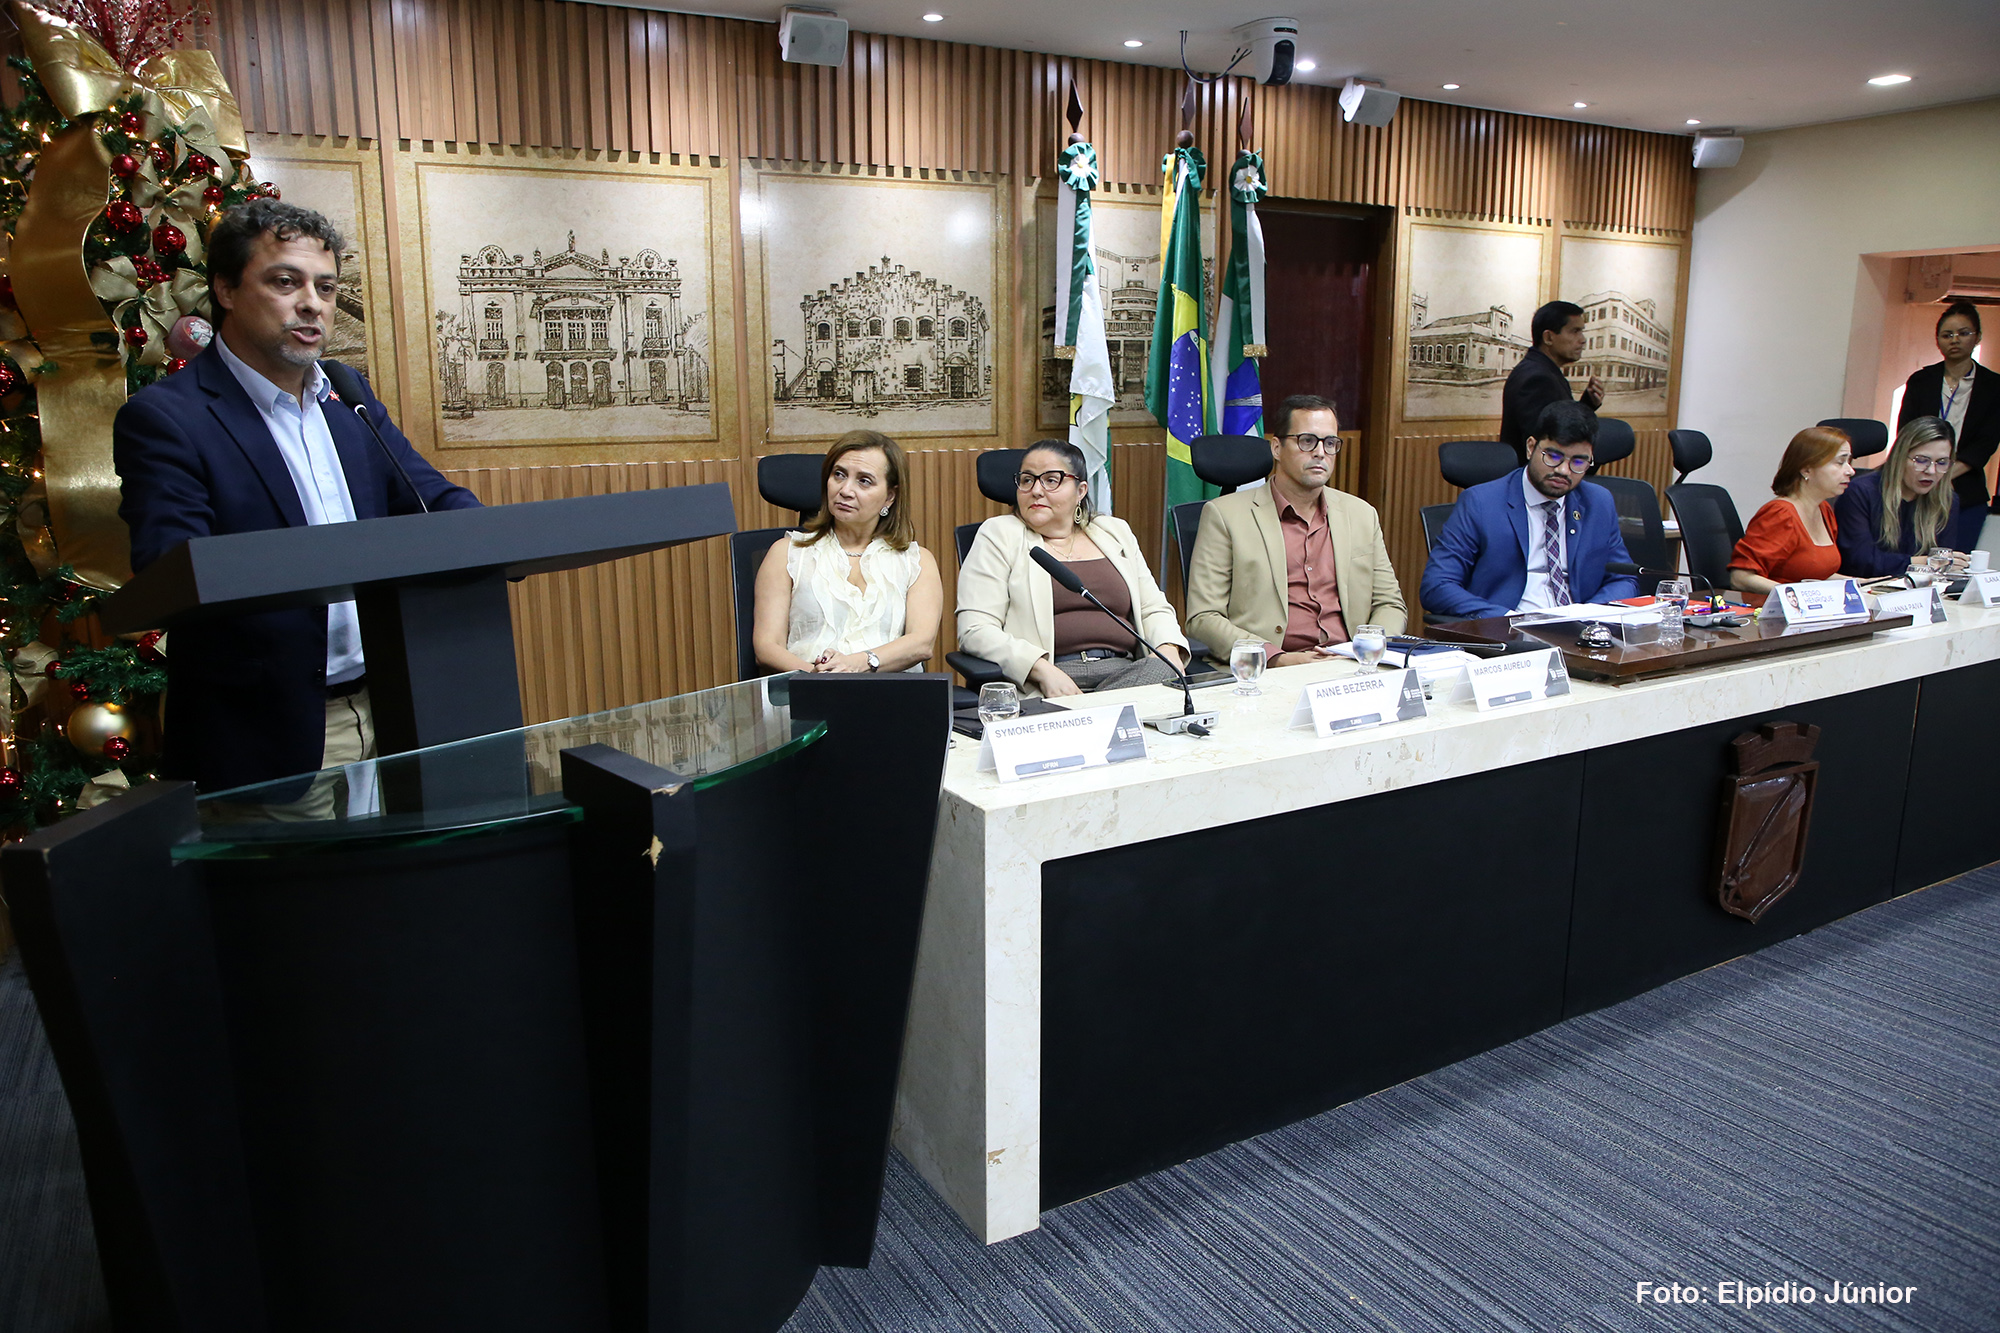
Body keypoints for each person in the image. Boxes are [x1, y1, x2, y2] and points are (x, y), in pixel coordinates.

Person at [114, 201, 480, 794]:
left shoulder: (347, 393)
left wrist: (497, 538)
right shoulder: (167, 418)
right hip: (269, 736)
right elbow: (172, 567)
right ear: (226, 290)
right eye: (286, 282)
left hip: (389, 709)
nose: (312, 303)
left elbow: (429, 497)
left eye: (326, 287)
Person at [1185, 393, 1405, 667]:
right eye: (1307, 441)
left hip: (1353, 665)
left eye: (1330, 443)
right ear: (1277, 448)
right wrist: (1276, 658)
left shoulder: (1362, 514)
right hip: (1270, 670)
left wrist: (1367, 650)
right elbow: (1203, 617)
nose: (1320, 452)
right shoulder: (1224, 516)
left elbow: (1389, 604)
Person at [957, 439, 1188, 698]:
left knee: (1165, 670)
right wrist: (1041, 670)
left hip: (1128, 674)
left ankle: (1089, 711)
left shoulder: (1115, 531)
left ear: (1080, 491)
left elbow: (1152, 608)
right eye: (1027, 480)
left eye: (1051, 480)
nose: (1036, 490)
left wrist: (1168, 650)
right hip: (1049, 681)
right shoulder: (999, 534)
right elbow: (975, 630)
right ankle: (1099, 711)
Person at [1420, 400, 1637, 619]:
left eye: (1578, 462)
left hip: (1579, 628)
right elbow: (1437, 585)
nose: (1563, 470)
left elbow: (1624, 578)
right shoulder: (1480, 503)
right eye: (1553, 456)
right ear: (1531, 447)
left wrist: (1588, 615)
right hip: (1510, 627)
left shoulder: (1598, 502)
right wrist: (1505, 619)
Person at [751, 430, 941, 675]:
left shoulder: (917, 561)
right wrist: (819, 677)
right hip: (809, 687)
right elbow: (767, 647)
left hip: (891, 691)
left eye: (864, 481)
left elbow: (921, 643)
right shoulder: (787, 553)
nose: (845, 490)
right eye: (839, 475)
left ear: (889, 497)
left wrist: (858, 663)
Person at [1898, 302, 1998, 551]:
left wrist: (1943, 475)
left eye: (1963, 333)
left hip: (1965, 490)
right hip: (1916, 485)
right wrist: (1926, 472)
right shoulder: (1921, 380)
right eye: (1947, 335)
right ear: (1938, 341)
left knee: (1954, 563)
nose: (1955, 340)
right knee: (1910, 559)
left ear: (1977, 337)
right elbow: (1906, 432)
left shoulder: (1994, 386)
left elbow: (1986, 442)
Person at [1726, 425, 1854, 594]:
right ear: (1806, 469)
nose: (1850, 471)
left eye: (1849, 462)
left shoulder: (1823, 509)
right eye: (1840, 462)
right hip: (1773, 607)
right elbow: (1741, 578)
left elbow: (1816, 575)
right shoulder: (1781, 514)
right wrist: (1796, 595)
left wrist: (1865, 584)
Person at [1833, 416, 1964, 579]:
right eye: (1921, 460)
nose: (1931, 471)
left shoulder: (1947, 500)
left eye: (1942, 462)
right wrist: (1924, 562)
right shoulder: (1860, 492)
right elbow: (1861, 562)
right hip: (1866, 587)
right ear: (1900, 456)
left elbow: (1942, 564)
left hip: (1918, 589)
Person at [1499, 300, 1604, 465]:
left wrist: (1587, 405)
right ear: (1548, 337)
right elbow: (1547, 446)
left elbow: (1561, 424)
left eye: (1581, 331)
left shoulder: (1542, 370)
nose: (1583, 340)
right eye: (1575, 331)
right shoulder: (1537, 379)